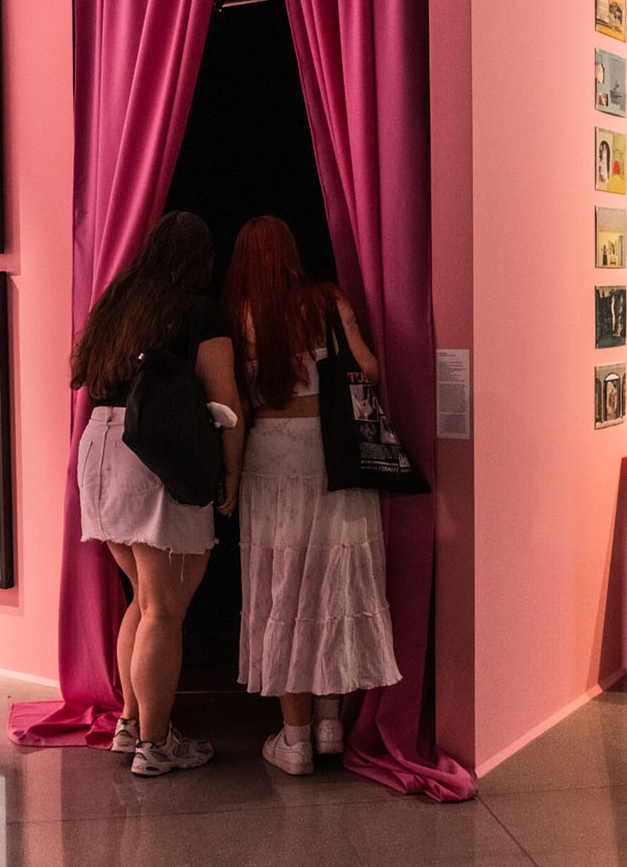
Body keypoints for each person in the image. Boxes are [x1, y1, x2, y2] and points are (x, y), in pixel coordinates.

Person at [222, 216, 401, 777]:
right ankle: (331, 730)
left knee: (284, 590)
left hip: (269, 458)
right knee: (331, 583)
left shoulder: (239, 316)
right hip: (331, 455)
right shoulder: (326, 302)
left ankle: (294, 738)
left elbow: (237, 402)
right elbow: (369, 368)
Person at [71, 211, 243, 777]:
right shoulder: (198, 312)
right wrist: (231, 480)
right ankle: (155, 743)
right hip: (157, 453)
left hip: (101, 446)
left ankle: (129, 723)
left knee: (143, 602)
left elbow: (86, 379)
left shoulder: (117, 306)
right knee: (164, 611)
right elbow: (228, 407)